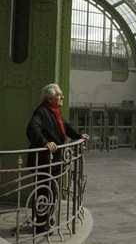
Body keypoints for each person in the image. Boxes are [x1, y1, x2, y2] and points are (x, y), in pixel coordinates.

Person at [26, 83, 89, 234]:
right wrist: (45, 143)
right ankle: (41, 226)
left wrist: (78, 135)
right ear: (49, 98)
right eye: (59, 95)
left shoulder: (53, 112)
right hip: (43, 162)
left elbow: (65, 127)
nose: (62, 97)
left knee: (51, 191)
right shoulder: (41, 112)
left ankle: (47, 220)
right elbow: (32, 128)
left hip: (52, 162)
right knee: (44, 192)